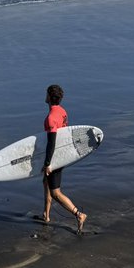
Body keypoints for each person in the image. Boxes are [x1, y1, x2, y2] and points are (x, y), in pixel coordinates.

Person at [40, 84, 87, 233]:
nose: (45, 95)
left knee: (55, 192)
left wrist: (48, 164)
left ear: (49, 96)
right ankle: (46, 215)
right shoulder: (62, 111)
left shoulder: (51, 118)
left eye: (46, 93)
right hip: (62, 153)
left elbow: (51, 143)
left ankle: (79, 214)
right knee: (45, 181)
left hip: (55, 157)